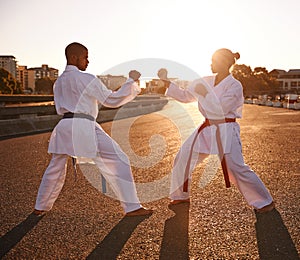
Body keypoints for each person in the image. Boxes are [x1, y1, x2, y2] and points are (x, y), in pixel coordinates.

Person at [34, 42, 153, 217]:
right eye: (85, 57)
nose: (87, 61)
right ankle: (132, 207)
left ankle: (40, 206)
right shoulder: (86, 78)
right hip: (84, 126)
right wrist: (130, 82)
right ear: (74, 58)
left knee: (55, 167)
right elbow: (111, 100)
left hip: (64, 126)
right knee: (119, 159)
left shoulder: (58, 82)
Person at [157, 48, 274, 213]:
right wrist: (167, 82)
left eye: (214, 61)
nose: (211, 64)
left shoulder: (234, 85)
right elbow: (185, 96)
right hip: (206, 128)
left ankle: (264, 201)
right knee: (183, 157)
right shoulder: (204, 81)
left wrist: (204, 94)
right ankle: (180, 196)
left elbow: (220, 109)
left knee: (235, 167)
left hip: (225, 129)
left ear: (225, 63)